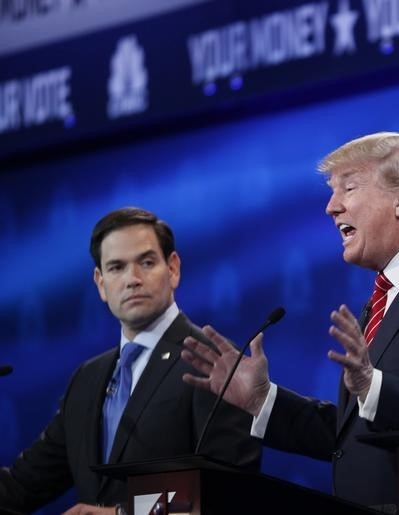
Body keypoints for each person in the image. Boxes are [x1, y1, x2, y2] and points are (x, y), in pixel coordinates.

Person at [181, 132, 399, 513]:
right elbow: (356, 435)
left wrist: (374, 386)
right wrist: (264, 401)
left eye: (348, 188)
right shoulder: (390, 291)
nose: (331, 207)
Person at [0, 207, 261, 514]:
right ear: (100, 283)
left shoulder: (212, 361)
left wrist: (124, 513)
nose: (132, 279)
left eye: (146, 263)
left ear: (173, 268)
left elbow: (230, 488)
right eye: (116, 268)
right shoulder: (87, 378)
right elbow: (21, 486)